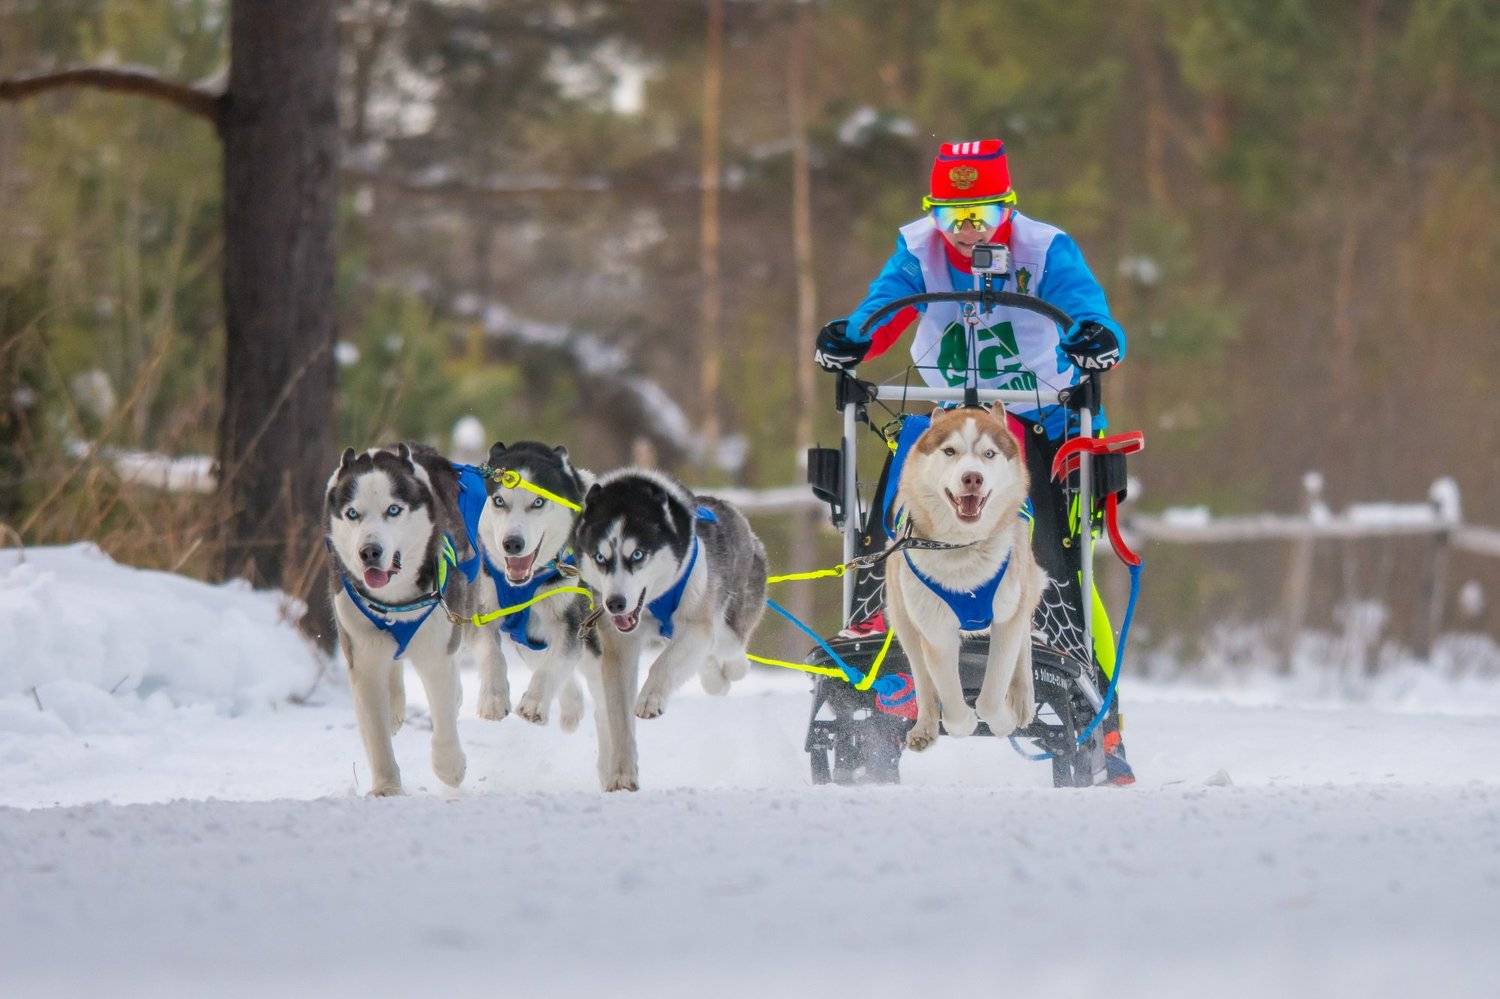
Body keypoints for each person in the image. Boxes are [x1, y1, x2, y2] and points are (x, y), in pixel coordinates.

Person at [814, 138, 1135, 785]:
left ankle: (1097, 704)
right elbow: (880, 311)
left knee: (1062, 553)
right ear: (933, 214)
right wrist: (852, 336)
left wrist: (1096, 335)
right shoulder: (917, 250)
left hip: (1041, 417)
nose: (965, 234)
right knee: (910, 465)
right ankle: (881, 612)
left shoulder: (1045, 251)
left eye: (981, 218)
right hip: (946, 418)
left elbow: (1088, 310)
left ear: (1008, 210)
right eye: (952, 219)